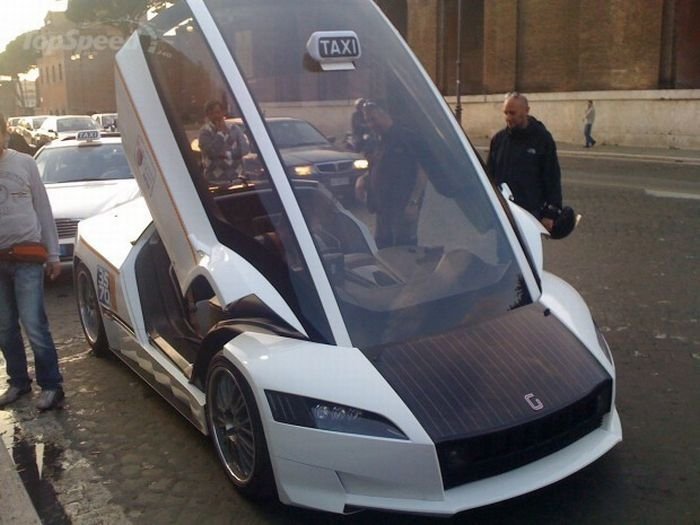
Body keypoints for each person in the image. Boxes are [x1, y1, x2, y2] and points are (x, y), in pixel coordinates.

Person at [0, 114, 64, 411]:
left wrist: (53, 255)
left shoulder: (24, 163)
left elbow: (43, 208)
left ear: (6, 133)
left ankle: (51, 385)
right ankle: (18, 381)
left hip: (27, 257)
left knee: (34, 323)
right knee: (4, 327)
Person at [355, 102, 428, 248]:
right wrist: (362, 179)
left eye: (373, 119)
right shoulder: (378, 140)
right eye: (368, 120)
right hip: (383, 207)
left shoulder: (407, 137)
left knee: (405, 249)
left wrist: (413, 202)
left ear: (385, 115)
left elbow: (423, 170)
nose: (370, 124)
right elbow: (377, 166)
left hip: (403, 205)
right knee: (383, 248)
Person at [487, 92, 562, 233]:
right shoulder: (498, 140)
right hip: (504, 209)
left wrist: (551, 213)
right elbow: (490, 176)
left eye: (513, 113)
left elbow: (552, 177)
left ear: (526, 111)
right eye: (506, 113)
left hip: (530, 211)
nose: (508, 118)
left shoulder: (542, 139)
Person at [198, 100, 250, 184]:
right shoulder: (205, 132)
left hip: (237, 179)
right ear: (207, 115)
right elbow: (211, 152)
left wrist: (227, 154)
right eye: (211, 113)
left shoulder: (234, 128)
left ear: (223, 112)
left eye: (218, 112)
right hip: (215, 181)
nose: (215, 116)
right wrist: (220, 134)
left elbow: (245, 149)